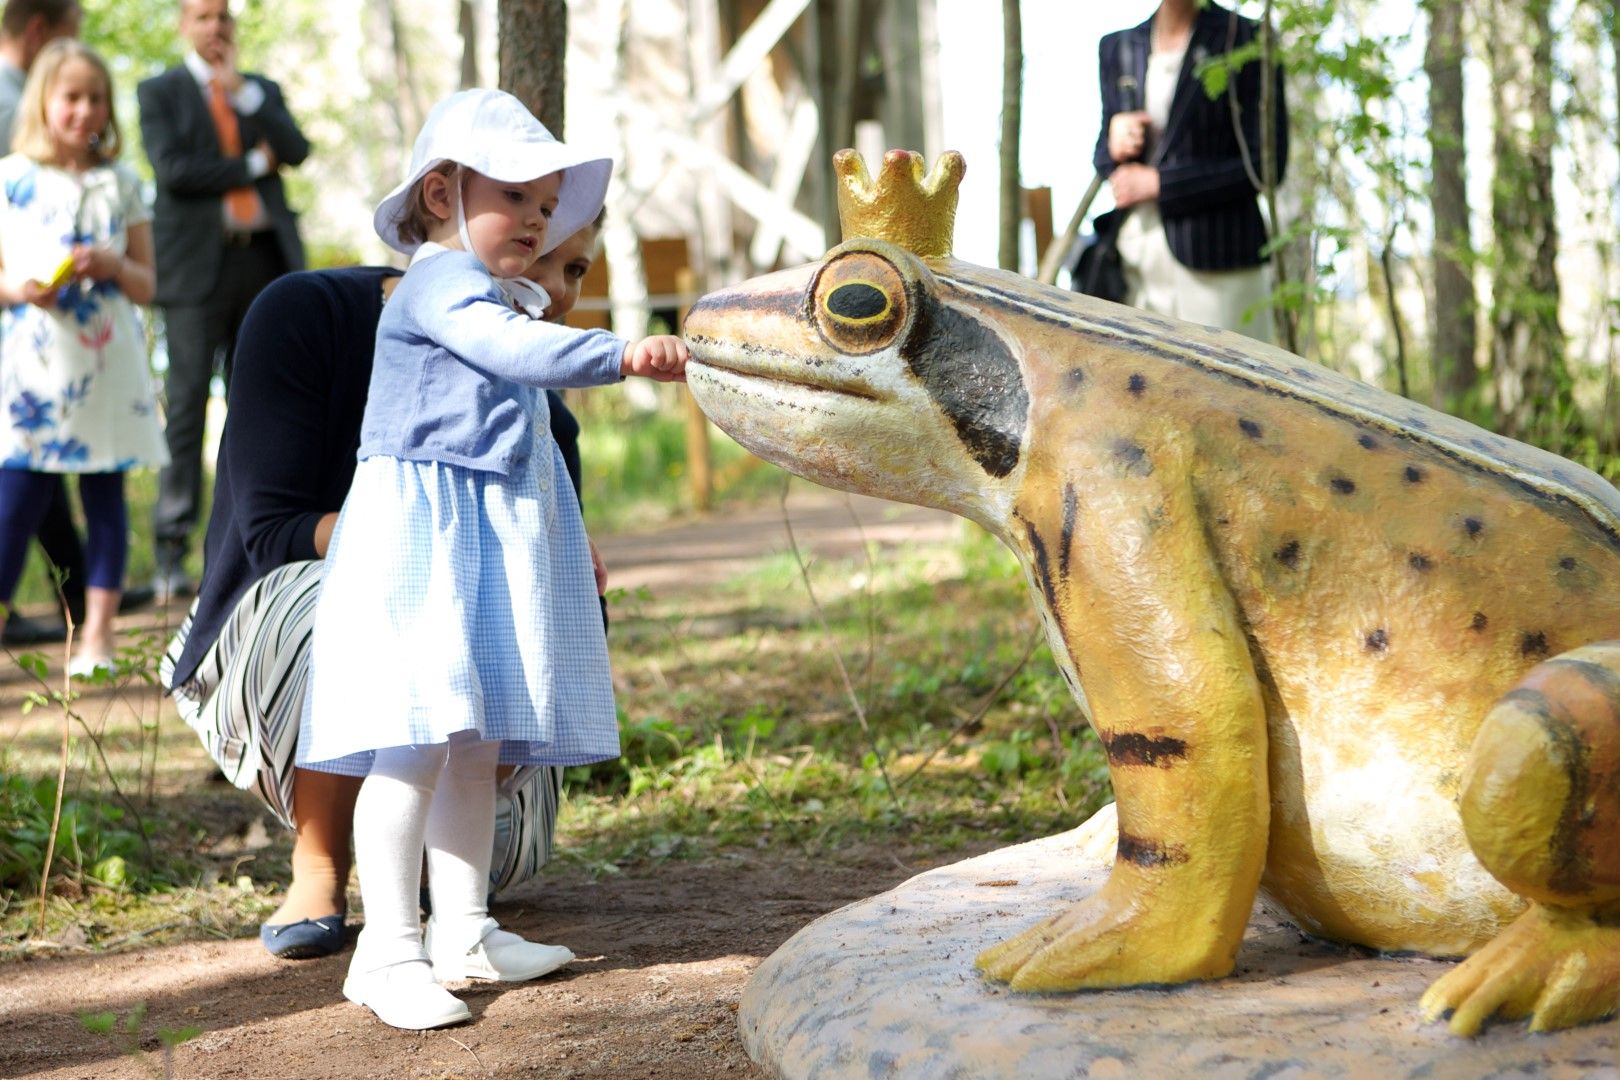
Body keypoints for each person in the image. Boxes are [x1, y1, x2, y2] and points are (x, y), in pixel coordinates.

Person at [296, 87, 684, 1031]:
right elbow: (503, 350)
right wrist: (618, 353)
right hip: (423, 533)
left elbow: (526, 424)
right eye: (519, 199)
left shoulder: (499, 289)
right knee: (418, 731)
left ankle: (463, 927)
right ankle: (386, 949)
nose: (539, 221)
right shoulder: (439, 284)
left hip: (478, 532)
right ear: (441, 194)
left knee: (475, 739)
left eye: (549, 207)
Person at [159, 216, 610, 965]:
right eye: (539, 260)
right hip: (291, 622)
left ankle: (458, 912)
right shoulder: (306, 316)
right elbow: (270, 532)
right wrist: (428, 552)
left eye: (576, 271)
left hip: (465, 698)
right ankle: (323, 867)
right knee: (364, 603)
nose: (557, 295)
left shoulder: (539, 407)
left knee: (523, 620)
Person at [0, 39, 167, 674]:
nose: (84, 111)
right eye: (71, 97)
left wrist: (114, 264)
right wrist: (22, 289)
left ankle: (98, 636)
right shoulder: (9, 177)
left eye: (96, 98)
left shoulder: (121, 183)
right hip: (35, 368)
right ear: (44, 101)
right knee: (13, 501)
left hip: (107, 365)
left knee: (105, 498)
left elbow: (148, 285)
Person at [139, 0, 309, 601]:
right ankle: (170, 552)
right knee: (185, 408)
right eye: (204, 17)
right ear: (185, 25)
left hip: (264, 263)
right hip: (194, 275)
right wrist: (249, 164)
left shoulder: (259, 91)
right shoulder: (159, 92)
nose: (215, 28)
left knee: (259, 406)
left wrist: (247, 100)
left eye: (224, 18)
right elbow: (173, 170)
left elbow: (296, 149)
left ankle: (248, 542)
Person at [1095, 0, 1287, 342]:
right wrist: (1113, 142)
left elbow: (1267, 165)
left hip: (1221, 264)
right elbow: (1103, 156)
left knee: (1232, 392)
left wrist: (1161, 184)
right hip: (1135, 260)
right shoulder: (1118, 45)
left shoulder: (1250, 37)